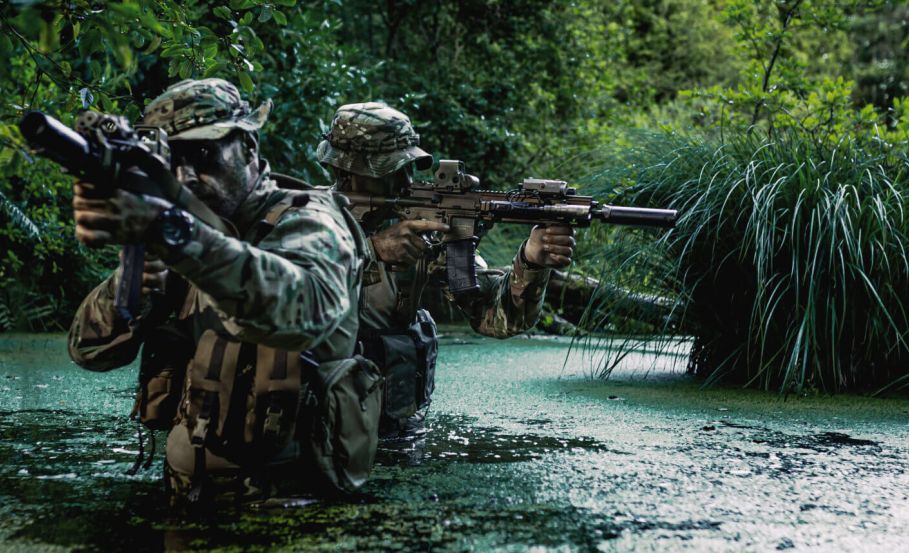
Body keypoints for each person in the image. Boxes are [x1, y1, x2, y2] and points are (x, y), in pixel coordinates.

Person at [68, 79, 382, 505]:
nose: (187, 177)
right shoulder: (184, 233)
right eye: (172, 161)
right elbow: (89, 350)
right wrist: (136, 281)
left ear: (249, 149)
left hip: (293, 509)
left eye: (203, 154)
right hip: (188, 499)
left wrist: (178, 237)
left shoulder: (309, 222)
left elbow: (304, 309)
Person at [316, 102, 575, 438]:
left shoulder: (417, 231)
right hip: (312, 423)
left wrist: (532, 260)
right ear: (347, 172)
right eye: (389, 170)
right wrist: (372, 251)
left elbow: (495, 318)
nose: (405, 180)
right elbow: (275, 292)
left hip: (390, 427)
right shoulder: (304, 218)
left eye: (407, 167)